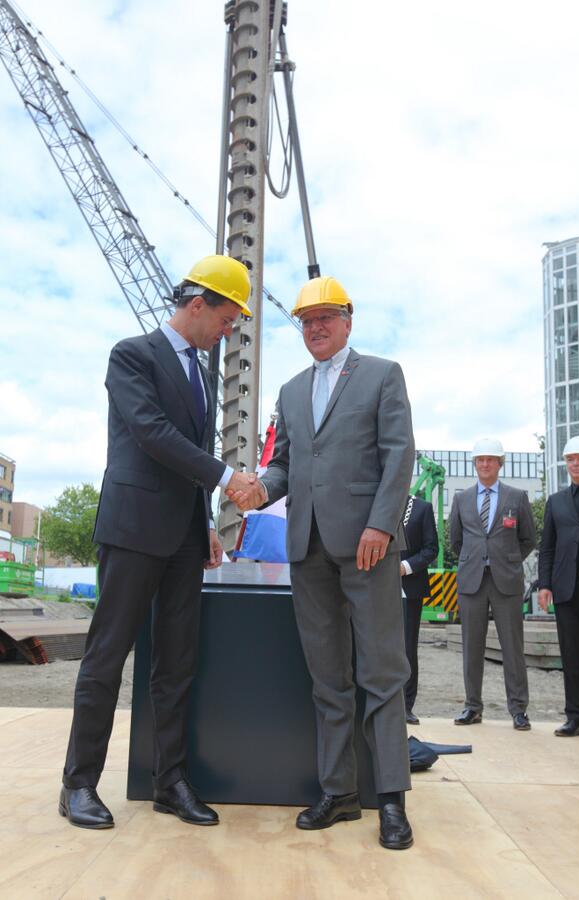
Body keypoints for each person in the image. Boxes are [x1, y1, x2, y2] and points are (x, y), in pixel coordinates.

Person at [60, 255, 258, 830]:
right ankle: (78, 785)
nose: (230, 330)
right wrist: (226, 479)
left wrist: (204, 529)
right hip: (132, 529)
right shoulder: (132, 355)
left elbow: (183, 463)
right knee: (107, 655)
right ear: (198, 304)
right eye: (227, 317)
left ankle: (168, 781)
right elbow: (152, 435)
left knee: (177, 663)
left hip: (180, 539)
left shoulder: (204, 372)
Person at [228, 275, 415, 851]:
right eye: (307, 321)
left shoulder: (383, 374)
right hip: (307, 549)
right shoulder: (289, 391)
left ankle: (390, 800)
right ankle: (339, 793)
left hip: (367, 546)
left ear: (348, 320)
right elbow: (286, 465)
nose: (316, 328)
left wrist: (381, 525)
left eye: (327, 317)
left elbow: (398, 453)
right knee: (328, 676)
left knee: (381, 674)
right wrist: (260, 489)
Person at [449, 438, 536, 730]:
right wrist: (476, 559)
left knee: (513, 647)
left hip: (506, 582)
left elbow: (528, 539)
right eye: (480, 460)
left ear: (500, 463)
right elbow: (456, 541)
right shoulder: (461, 499)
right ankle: (473, 706)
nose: (484, 464)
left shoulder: (517, 497)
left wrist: (508, 561)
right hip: (472, 581)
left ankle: (518, 709)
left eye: (490, 459)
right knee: (471, 647)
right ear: (475, 464)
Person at [538, 435, 579, 737]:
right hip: (566, 591)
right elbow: (547, 547)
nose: (575, 463)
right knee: (572, 657)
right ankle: (576, 717)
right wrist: (544, 585)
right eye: (570, 459)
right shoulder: (556, 502)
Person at [401, 495, 439, 725]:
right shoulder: (371, 503)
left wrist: (405, 567)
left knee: (407, 648)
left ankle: (405, 705)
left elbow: (431, 548)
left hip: (409, 588)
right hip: (374, 588)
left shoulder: (421, 508)